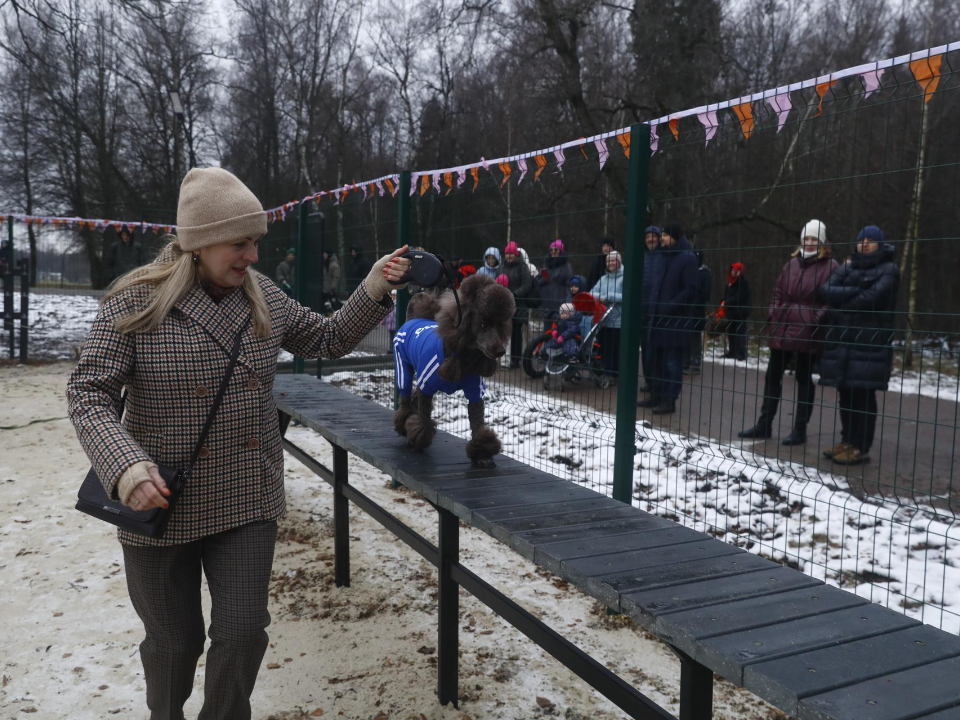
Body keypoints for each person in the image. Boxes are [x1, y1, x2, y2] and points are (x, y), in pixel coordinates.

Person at [66, 166, 411, 720]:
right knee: (174, 643)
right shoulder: (134, 302)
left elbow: (325, 338)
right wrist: (125, 468)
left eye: (255, 242)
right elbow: (89, 393)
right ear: (199, 244)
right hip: (157, 502)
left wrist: (372, 287)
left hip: (245, 497)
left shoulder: (262, 295)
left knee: (244, 632)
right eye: (240, 243)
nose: (252, 256)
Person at [739, 220, 838, 445]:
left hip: (808, 331)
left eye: (815, 239)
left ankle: (799, 429)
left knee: (803, 379)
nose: (810, 243)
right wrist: (774, 314)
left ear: (822, 242)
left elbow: (831, 301)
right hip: (782, 328)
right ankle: (764, 424)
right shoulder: (791, 264)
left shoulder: (831, 267)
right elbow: (777, 291)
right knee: (772, 376)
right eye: (807, 238)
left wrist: (814, 320)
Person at [818, 225, 900, 465]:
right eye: (861, 240)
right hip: (844, 338)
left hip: (869, 341)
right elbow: (825, 291)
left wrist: (842, 297)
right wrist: (856, 291)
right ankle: (847, 440)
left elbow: (873, 298)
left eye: (870, 240)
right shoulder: (847, 266)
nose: (864, 244)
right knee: (846, 391)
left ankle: (860, 447)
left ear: (880, 244)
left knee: (863, 394)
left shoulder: (889, 270)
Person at [639, 223, 697, 415]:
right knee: (656, 360)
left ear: (673, 236)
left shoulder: (687, 258)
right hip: (657, 319)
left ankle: (669, 400)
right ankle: (657, 394)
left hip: (676, 320)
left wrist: (670, 306)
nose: (660, 239)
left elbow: (690, 290)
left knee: (672, 363)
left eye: (664, 235)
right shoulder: (664, 256)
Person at [590, 250, 624, 378]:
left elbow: (627, 296)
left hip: (618, 320)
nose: (610, 263)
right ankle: (607, 373)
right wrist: (601, 297)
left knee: (616, 350)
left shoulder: (625, 277)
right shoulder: (603, 279)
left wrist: (608, 297)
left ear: (619, 262)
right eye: (608, 261)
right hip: (603, 319)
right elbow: (592, 292)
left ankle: (616, 375)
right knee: (605, 349)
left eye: (613, 260)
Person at [500, 241, 533, 368]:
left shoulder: (522, 267)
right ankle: (504, 358)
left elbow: (527, 284)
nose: (509, 256)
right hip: (505, 304)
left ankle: (516, 359)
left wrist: (514, 294)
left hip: (519, 304)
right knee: (505, 332)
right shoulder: (502, 266)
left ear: (516, 254)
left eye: (511, 253)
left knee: (517, 334)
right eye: (507, 253)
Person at [639, 226, 662, 393]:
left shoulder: (664, 256)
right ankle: (649, 381)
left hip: (659, 309)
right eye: (648, 236)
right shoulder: (641, 257)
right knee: (645, 347)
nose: (651, 239)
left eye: (654, 236)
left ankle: (658, 382)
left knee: (657, 347)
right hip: (642, 309)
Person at [684, 250, 712, 375]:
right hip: (689, 310)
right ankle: (687, 361)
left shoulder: (703, 275)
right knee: (688, 337)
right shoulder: (691, 273)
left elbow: (704, 294)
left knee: (695, 337)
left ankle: (695, 362)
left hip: (697, 311)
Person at [538, 239, 574, 328]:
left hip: (560, 304)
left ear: (560, 251)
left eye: (556, 249)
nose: (553, 252)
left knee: (558, 331)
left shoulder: (566, 266)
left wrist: (567, 303)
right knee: (547, 332)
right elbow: (538, 281)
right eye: (551, 250)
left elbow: (568, 285)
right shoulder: (546, 265)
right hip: (546, 304)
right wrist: (543, 280)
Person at [722, 262, 751, 361]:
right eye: (732, 270)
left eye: (735, 270)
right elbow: (727, 296)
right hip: (731, 313)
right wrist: (723, 301)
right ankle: (732, 352)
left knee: (740, 333)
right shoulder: (730, 283)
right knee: (731, 333)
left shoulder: (743, 283)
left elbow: (738, 297)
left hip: (740, 313)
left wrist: (727, 302)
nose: (733, 272)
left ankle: (741, 354)